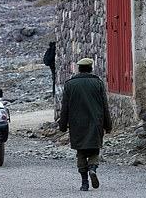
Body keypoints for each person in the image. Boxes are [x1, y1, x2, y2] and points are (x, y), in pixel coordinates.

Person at [58, 57, 112, 192]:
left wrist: (62, 125)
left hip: (77, 124)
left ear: (79, 69)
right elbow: (104, 106)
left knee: (81, 152)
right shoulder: (98, 83)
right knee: (94, 149)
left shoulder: (70, 84)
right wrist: (108, 125)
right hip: (95, 122)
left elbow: (65, 107)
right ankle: (92, 169)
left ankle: (84, 183)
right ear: (90, 68)